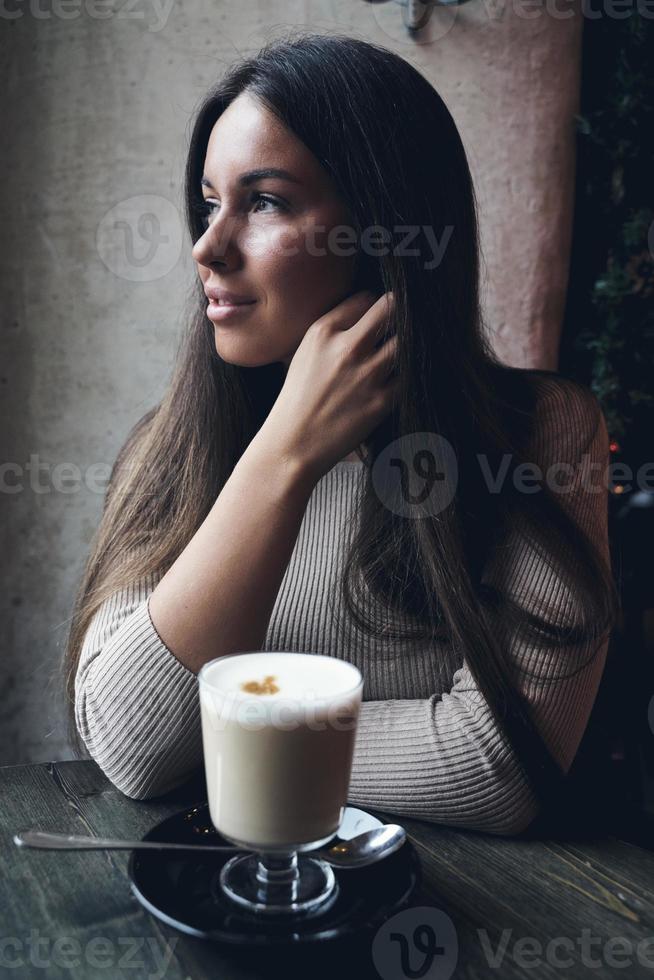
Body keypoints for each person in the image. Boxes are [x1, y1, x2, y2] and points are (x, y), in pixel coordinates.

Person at [62, 33, 620, 837]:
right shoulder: (172, 445)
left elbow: (500, 766)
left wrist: (218, 741)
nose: (207, 248)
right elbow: (131, 746)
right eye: (211, 201)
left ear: (386, 227)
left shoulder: (542, 434)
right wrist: (286, 454)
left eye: (266, 202)